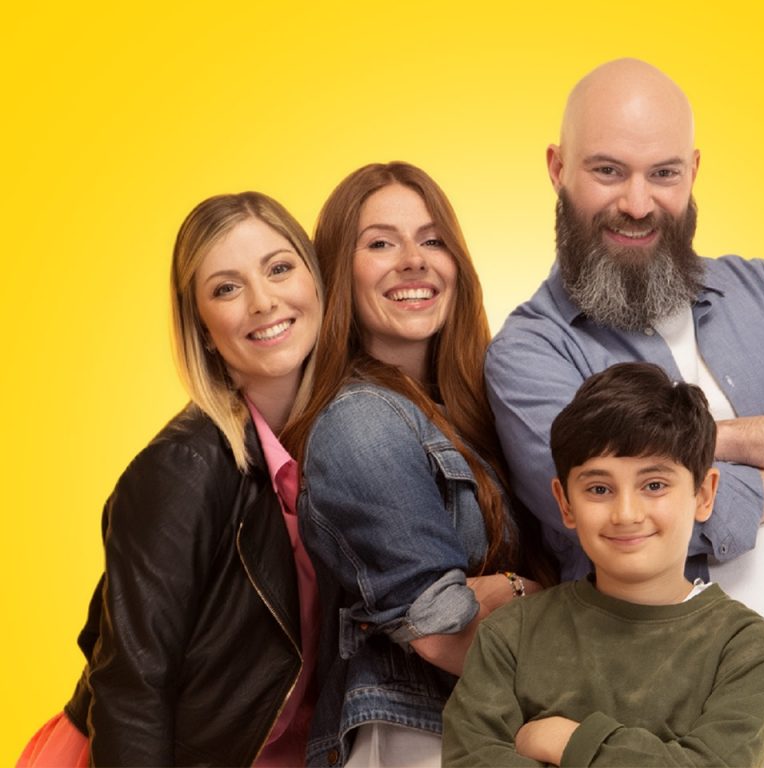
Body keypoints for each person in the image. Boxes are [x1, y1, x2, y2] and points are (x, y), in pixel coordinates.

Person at [485, 58, 764, 768]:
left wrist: (711, 442)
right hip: (676, 747)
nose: (638, 202)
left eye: (663, 173)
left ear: (693, 171)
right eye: (608, 171)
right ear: (557, 168)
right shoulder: (530, 353)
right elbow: (643, 522)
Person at [18, 191, 325, 766]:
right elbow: (132, 687)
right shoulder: (180, 470)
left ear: (315, 283)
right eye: (226, 288)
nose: (263, 302)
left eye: (279, 268)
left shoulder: (340, 446)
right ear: (204, 329)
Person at [285, 162, 549, 768]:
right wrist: (530, 594)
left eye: (432, 240)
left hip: (494, 735)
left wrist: (518, 599)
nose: (414, 259)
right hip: (418, 738)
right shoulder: (360, 421)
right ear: (337, 273)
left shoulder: (477, 415)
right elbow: (443, 633)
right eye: (380, 243)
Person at [443, 362, 764, 767]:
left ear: (703, 494)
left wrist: (570, 741)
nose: (626, 513)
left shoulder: (749, 650)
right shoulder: (510, 635)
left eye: (654, 485)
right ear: (565, 503)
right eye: (599, 488)